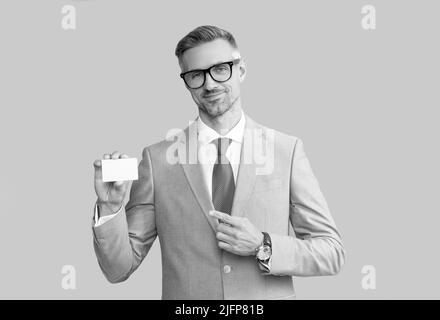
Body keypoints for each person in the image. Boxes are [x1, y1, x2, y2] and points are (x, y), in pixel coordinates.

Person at [92, 25, 345, 300]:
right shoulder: (157, 161)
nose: (209, 84)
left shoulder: (287, 151)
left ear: (241, 70)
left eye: (220, 69)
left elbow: (331, 252)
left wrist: (263, 245)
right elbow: (118, 270)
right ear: (186, 82)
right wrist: (110, 207)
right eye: (196, 75)